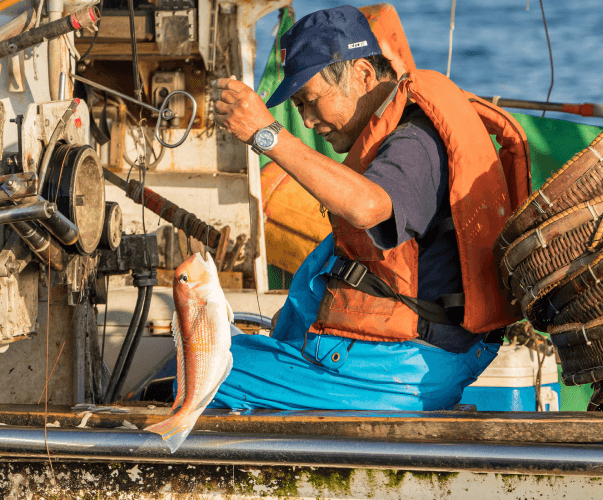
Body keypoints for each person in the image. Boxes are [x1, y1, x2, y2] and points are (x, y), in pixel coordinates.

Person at [209, 4, 527, 412]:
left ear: (362, 74)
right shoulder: (391, 132)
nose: (306, 121)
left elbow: (367, 206)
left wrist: (264, 134)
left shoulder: (414, 141)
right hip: (401, 354)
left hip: (411, 364)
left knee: (205, 369)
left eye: (309, 101)